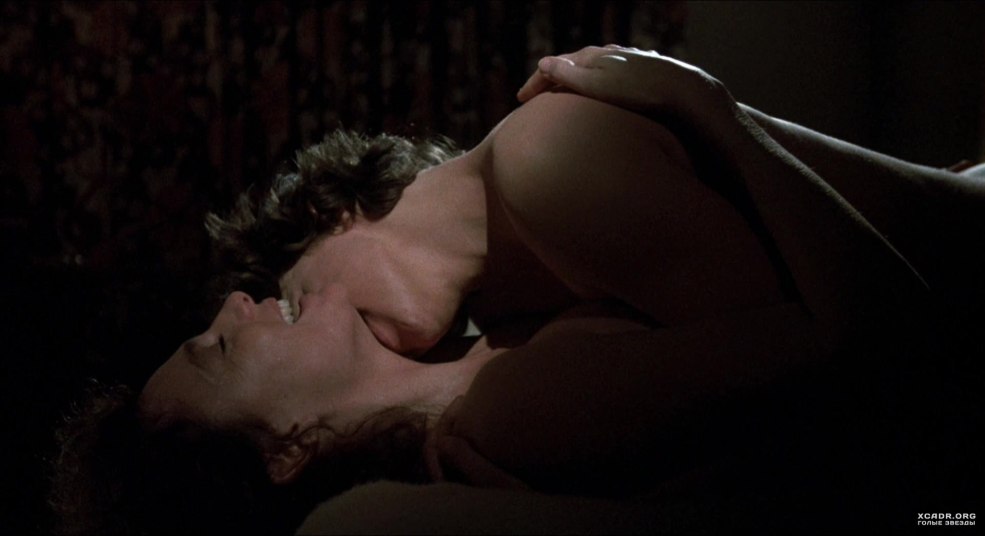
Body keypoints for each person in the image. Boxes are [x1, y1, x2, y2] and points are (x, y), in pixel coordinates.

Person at [50, 45, 979, 534]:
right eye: (217, 350)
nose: (234, 305)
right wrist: (709, 108)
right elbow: (876, 362)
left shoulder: (495, 344)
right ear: (287, 452)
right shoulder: (501, 410)